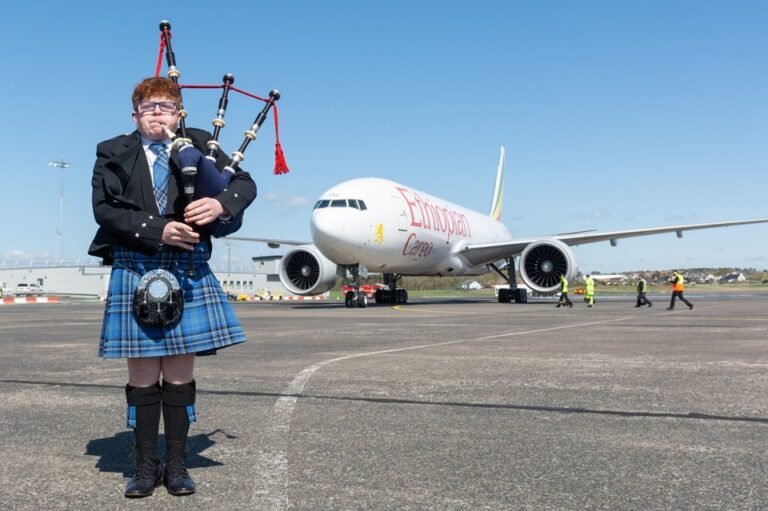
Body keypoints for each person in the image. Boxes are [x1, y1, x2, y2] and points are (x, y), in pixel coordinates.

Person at [89, 77, 257, 498]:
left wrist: (220, 204)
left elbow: (244, 184)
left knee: (180, 372)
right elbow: (105, 210)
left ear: (179, 113)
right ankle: (146, 465)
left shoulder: (200, 144)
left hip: (187, 268)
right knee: (144, 373)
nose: (157, 114)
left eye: (166, 107)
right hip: (136, 264)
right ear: (135, 116)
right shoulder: (112, 151)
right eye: (149, 108)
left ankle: (177, 465)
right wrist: (158, 230)